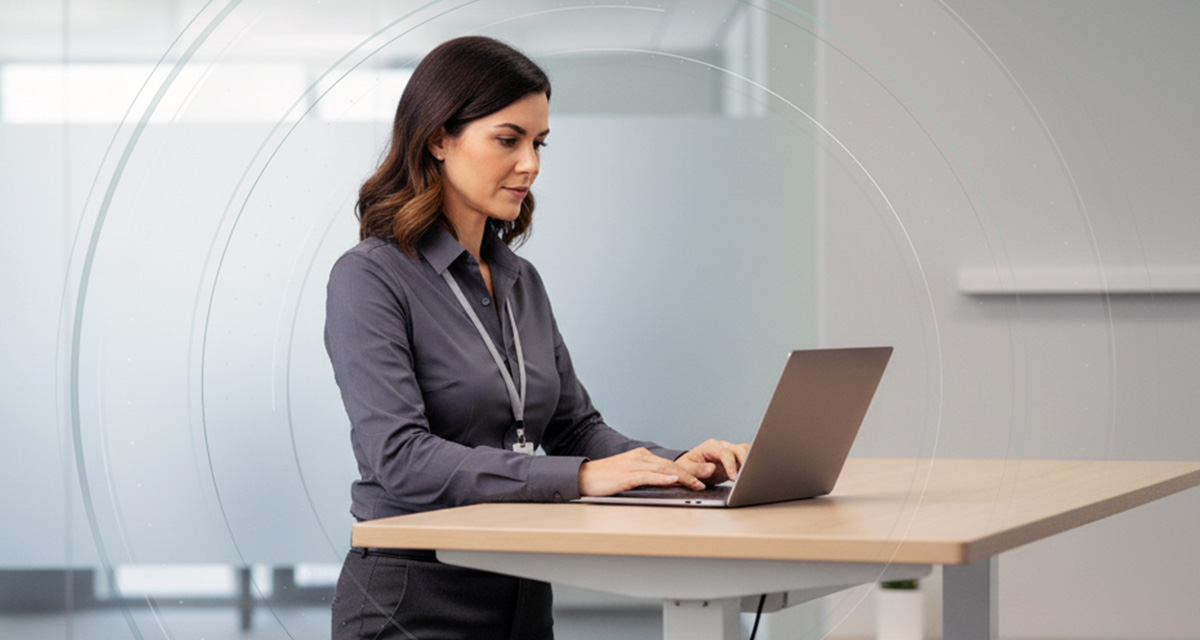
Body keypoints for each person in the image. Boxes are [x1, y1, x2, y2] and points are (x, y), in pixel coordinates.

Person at [324, 35, 749, 640]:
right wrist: (577, 478)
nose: (531, 164)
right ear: (439, 139)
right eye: (509, 139)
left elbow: (573, 428)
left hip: (521, 589)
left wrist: (673, 466)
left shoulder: (521, 281)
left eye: (538, 142)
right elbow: (400, 459)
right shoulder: (369, 277)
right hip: (414, 596)